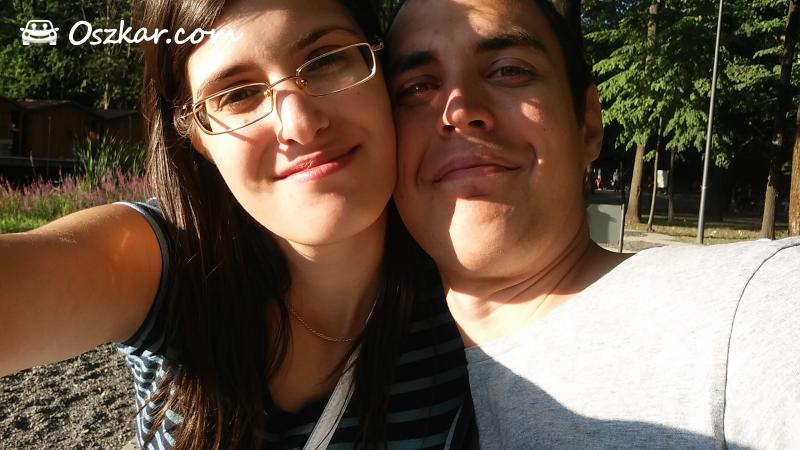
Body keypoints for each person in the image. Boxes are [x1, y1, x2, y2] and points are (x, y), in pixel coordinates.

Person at [0, 0, 469, 449]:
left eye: (326, 60)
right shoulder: (167, 263)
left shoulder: (472, 269)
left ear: (380, 65)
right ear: (197, 136)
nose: (299, 124)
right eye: (238, 94)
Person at [384, 0, 800, 448]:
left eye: (509, 70)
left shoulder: (751, 308)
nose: (459, 109)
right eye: (416, 87)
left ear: (587, 124)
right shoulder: (370, 370)